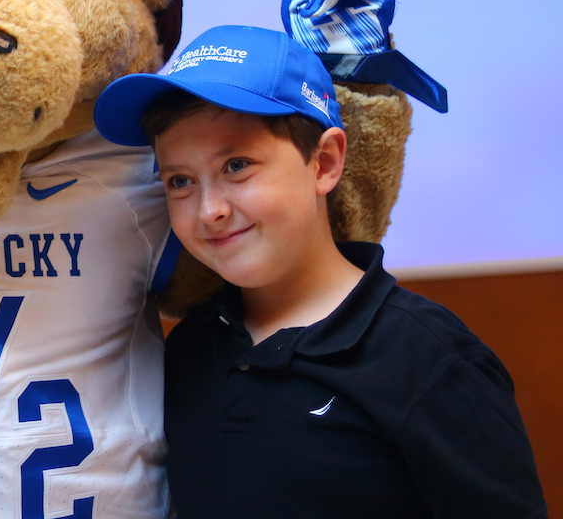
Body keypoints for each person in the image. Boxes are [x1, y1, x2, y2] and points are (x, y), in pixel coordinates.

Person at [94, 25, 545, 518]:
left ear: (325, 162)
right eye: (180, 180)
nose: (209, 210)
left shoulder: (430, 361)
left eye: (237, 165)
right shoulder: (188, 350)